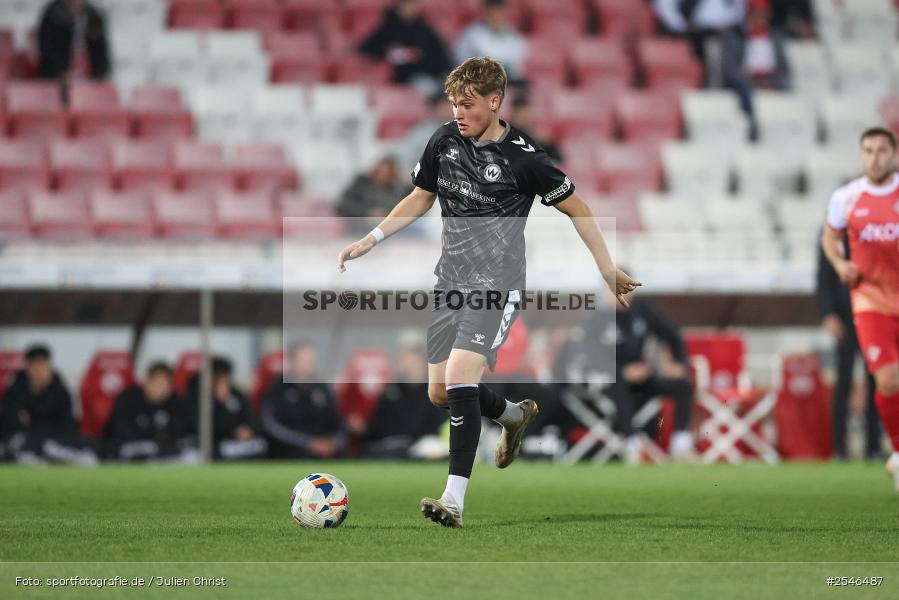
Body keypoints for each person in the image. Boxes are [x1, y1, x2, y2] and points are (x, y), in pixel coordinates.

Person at [336, 57, 640, 527]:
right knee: (440, 393)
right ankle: (513, 415)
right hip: (449, 282)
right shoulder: (444, 140)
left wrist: (605, 268)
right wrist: (370, 240)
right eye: (454, 102)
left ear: (495, 102)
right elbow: (420, 196)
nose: (458, 112)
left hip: (497, 284)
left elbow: (578, 209)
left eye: (468, 104)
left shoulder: (525, 159)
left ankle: (453, 499)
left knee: (459, 376)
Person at [821, 127, 899, 492]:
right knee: (886, 379)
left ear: (893, 155)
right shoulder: (846, 198)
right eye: (868, 150)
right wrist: (840, 265)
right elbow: (829, 238)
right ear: (860, 154)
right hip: (870, 301)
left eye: (882, 150)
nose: (875, 157)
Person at [815, 232, 881, 460]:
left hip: (874, 316)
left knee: (877, 382)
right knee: (843, 382)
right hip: (844, 320)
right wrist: (829, 313)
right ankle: (839, 448)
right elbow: (823, 277)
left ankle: (873, 447)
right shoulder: (832, 232)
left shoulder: (873, 229)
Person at [654, 0, 755, 129]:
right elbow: (665, 4)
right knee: (700, 79)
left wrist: (735, 25)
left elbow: (739, 8)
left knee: (733, 76)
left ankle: (745, 118)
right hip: (696, 35)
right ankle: (693, 123)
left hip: (728, 33)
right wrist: (681, 26)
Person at [0, 345, 97, 465]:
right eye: (34, 366)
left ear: (49, 367)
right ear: (27, 368)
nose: (38, 371)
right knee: (15, 442)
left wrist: (31, 421)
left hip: (54, 439)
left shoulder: (61, 392)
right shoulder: (15, 390)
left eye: (42, 365)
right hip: (22, 439)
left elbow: (65, 425)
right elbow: (7, 421)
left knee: (79, 443)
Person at [261, 342, 347, 459]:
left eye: (311, 360)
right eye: (303, 360)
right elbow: (271, 425)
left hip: (327, 450)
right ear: (291, 361)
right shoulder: (278, 387)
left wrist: (332, 443)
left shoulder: (322, 388)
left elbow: (339, 422)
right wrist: (308, 443)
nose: (309, 364)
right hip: (291, 450)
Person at [362, 345, 448, 459]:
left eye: (413, 363)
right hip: (392, 447)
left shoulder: (434, 392)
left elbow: (439, 424)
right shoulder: (391, 392)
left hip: (425, 446)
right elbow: (376, 426)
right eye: (405, 364)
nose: (409, 368)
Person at [103, 362, 197, 462]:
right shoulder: (128, 400)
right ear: (146, 381)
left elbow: (184, 433)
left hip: (166, 456)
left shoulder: (178, 403)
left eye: (164, 383)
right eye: (156, 382)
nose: (160, 388)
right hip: (130, 453)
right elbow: (117, 432)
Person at [359, 0, 451, 95]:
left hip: (430, 76)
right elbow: (367, 48)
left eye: (414, 5)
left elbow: (439, 55)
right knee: (427, 88)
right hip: (405, 79)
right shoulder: (388, 27)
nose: (411, 9)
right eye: (407, 5)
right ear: (399, 7)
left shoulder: (424, 28)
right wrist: (387, 50)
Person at [185, 356, 268, 461]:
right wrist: (218, 403)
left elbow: (251, 419)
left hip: (235, 443)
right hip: (212, 444)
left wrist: (248, 429)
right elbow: (201, 429)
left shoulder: (237, 396)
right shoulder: (197, 397)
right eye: (218, 377)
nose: (223, 381)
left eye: (226, 377)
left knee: (260, 445)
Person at [454, 0, 526, 84]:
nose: (495, 17)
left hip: (506, 83)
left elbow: (515, 69)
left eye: (498, 12)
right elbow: (459, 61)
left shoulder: (514, 37)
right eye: (492, 13)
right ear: (485, 12)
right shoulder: (471, 35)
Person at [37, 0, 110, 82]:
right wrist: (61, 73)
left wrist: (99, 74)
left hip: (88, 76)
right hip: (56, 78)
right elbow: (47, 49)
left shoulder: (93, 16)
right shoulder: (53, 15)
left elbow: (100, 48)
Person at [336, 155, 411, 235]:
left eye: (387, 172)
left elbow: (413, 205)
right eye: (380, 171)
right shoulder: (361, 185)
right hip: (359, 231)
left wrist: (408, 184)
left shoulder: (397, 189)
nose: (382, 175)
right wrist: (367, 213)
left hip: (389, 234)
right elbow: (343, 205)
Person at [395, 91, 454, 174]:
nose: (448, 110)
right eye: (444, 106)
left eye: (452, 105)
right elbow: (404, 160)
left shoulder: (468, 130)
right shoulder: (419, 133)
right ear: (434, 108)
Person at [508, 95, 562, 163]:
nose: (525, 118)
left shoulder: (543, 141)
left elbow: (559, 162)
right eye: (521, 115)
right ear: (513, 114)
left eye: (527, 114)